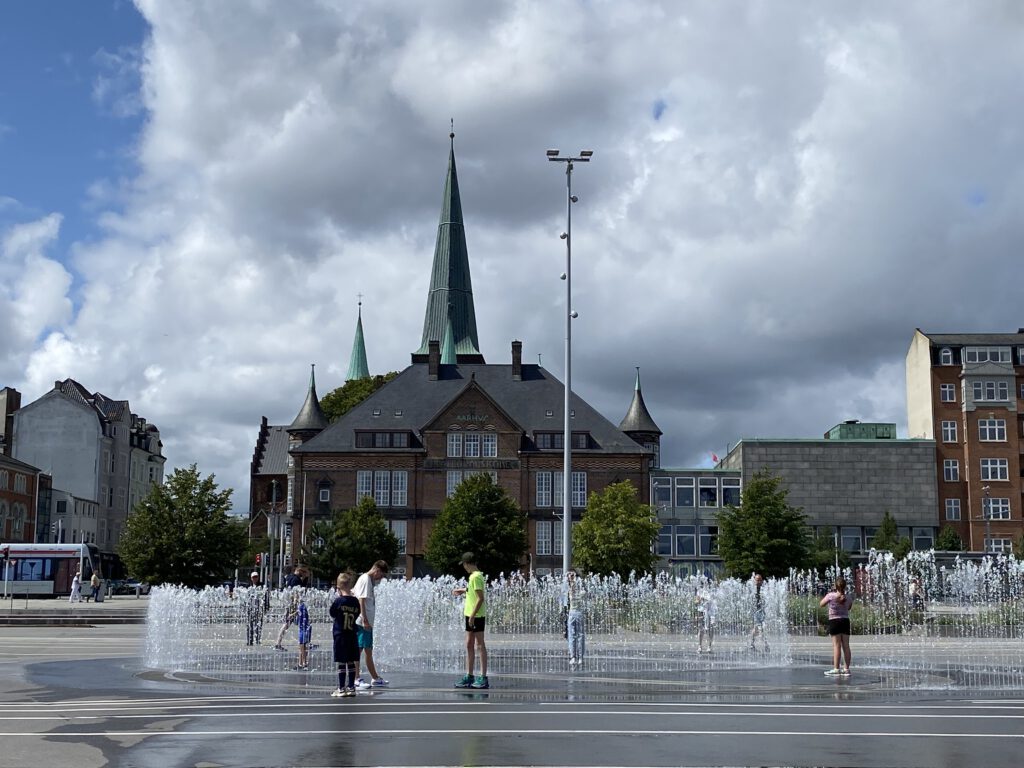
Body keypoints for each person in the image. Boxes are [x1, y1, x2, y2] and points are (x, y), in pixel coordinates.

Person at [453, 552, 488, 689]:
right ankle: (469, 675)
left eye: (464, 565)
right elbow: (474, 592)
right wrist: (464, 590)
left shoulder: (476, 577)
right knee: (469, 644)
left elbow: (480, 598)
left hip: (476, 615)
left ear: (468, 564)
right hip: (470, 614)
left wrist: (473, 616)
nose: (464, 568)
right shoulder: (473, 577)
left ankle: (483, 677)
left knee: (480, 645)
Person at [353, 560, 390, 689]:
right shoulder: (365, 579)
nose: (381, 578)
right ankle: (356, 678)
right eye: (381, 575)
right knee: (359, 650)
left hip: (366, 622)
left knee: (368, 650)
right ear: (377, 571)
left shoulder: (368, 580)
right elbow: (361, 600)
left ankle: (375, 678)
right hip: (363, 623)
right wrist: (364, 620)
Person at [329, 572, 361, 697]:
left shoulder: (338, 601)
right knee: (351, 660)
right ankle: (352, 687)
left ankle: (341, 688)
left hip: (340, 634)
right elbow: (357, 614)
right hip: (352, 634)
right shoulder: (355, 601)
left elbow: (332, 613)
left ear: (338, 587)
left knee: (341, 661)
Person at [820, 576, 854, 676]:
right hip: (845, 621)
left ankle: (836, 668)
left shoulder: (831, 596)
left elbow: (821, 604)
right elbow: (849, 608)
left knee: (836, 646)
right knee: (846, 646)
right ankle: (847, 669)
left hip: (834, 621)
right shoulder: (849, 597)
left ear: (835, 586)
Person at [273, 566, 309, 650]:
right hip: (294, 604)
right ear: (299, 571)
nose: (303, 574)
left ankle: (278, 643)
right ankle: (305, 642)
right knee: (300, 623)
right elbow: (297, 592)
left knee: (291, 623)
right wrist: (296, 607)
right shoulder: (296, 579)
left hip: (289, 603)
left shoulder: (290, 578)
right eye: (303, 572)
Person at [561, 570, 585, 667]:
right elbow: (563, 601)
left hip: (579, 613)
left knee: (580, 635)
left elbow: (584, 594)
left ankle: (580, 657)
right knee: (571, 636)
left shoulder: (580, 587)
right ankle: (573, 656)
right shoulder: (567, 588)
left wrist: (575, 582)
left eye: (572, 574)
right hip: (570, 614)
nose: (570, 576)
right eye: (568, 575)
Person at [244, 572, 268, 646]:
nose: (255, 578)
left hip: (259, 608)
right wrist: (244, 607)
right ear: (251, 578)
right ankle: (249, 640)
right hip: (250, 608)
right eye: (253, 577)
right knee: (249, 625)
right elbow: (245, 598)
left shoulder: (262, 586)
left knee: (258, 625)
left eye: (256, 577)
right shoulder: (248, 586)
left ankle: (257, 640)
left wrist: (266, 606)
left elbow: (266, 597)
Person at [749, 573, 770, 652]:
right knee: (760, 628)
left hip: (763, 611)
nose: (759, 581)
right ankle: (765, 645)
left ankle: (752, 644)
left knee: (759, 628)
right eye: (757, 580)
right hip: (756, 612)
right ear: (754, 581)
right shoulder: (753, 590)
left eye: (760, 580)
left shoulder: (764, 589)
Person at [696, 580, 717, 654]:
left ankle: (709, 646)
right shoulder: (700, 591)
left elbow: (715, 603)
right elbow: (696, 601)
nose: (706, 584)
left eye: (707, 583)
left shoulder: (713, 591)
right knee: (701, 629)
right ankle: (699, 646)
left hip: (711, 613)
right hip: (701, 611)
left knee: (711, 630)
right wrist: (701, 599)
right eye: (705, 583)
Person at [295, 590, 311, 671]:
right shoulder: (302, 605)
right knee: (302, 645)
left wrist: (291, 615)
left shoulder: (301, 606)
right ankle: (300, 663)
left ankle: (304, 663)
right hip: (304, 627)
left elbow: (298, 614)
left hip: (304, 628)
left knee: (302, 645)